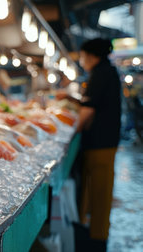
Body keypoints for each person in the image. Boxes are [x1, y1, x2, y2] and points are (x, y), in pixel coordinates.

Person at [75, 38, 122, 251]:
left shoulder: (101, 73)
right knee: (97, 190)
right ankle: (93, 233)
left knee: (101, 191)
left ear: (92, 56)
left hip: (102, 142)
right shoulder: (105, 71)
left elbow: (89, 109)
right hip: (103, 140)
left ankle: (98, 240)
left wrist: (73, 130)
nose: (81, 60)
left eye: (83, 56)